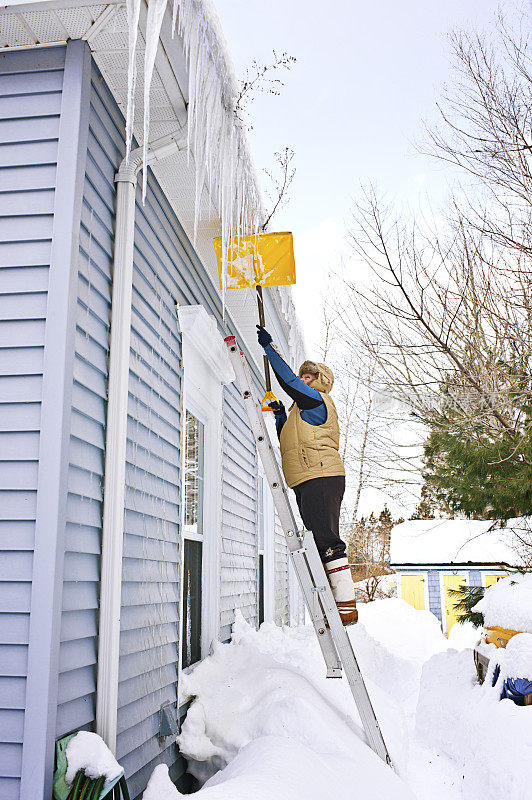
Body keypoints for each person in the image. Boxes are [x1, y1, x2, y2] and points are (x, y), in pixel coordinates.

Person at [256, 324, 358, 625]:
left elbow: (287, 381)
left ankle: (346, 608)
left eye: (309, 376)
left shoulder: (317, 401)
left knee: (327, 540)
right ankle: (331, 605)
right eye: (303, 375)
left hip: (322, 476)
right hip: (306, 479)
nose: (303, 379)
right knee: (316, 542)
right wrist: (279, 417)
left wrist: (270, 349)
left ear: (320, 382)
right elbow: (287, 441)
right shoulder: (300, 413)